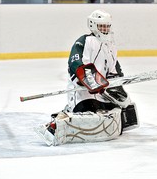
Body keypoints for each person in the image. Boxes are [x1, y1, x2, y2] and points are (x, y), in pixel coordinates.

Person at [35, 9, 139, 146]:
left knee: (125, 106)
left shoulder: (111, 46)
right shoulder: (85, 41)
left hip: (100, 92)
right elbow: (75, 63)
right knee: (90, 113)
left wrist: (116, 85)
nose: (105, 29)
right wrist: (92, 82)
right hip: (82, 92)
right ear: (93, 25)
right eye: (102, 26)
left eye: (107, 26)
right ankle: (55, 125)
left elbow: (114, 71)